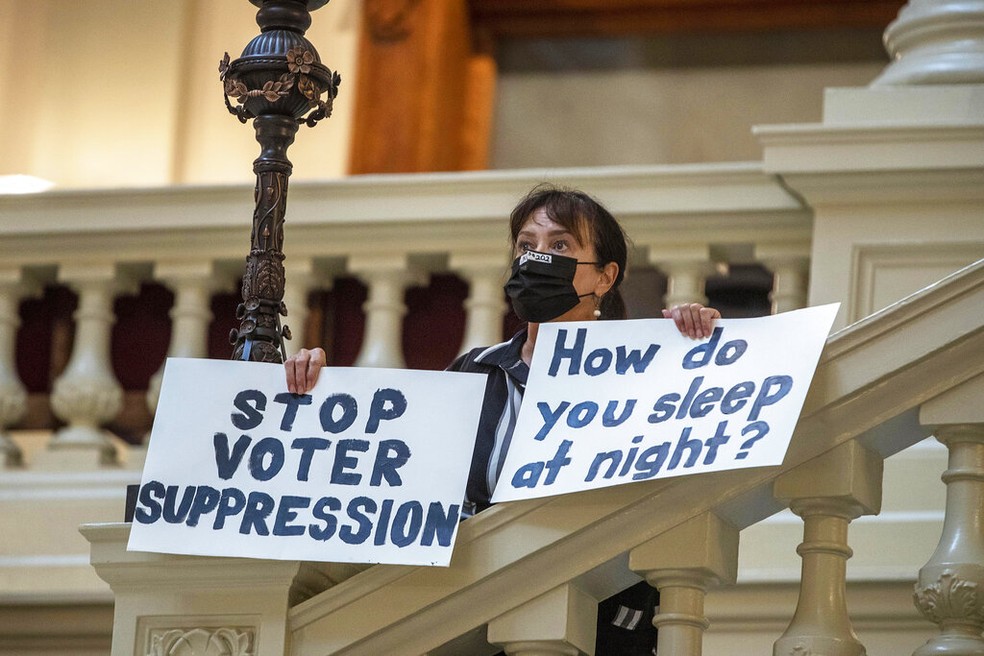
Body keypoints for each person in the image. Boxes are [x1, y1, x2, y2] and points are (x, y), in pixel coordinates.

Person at [285, 184, 720, 655]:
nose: (537, 258)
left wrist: (691, 355)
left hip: (594, 615)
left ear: (604, 277)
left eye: (560, 245)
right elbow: (397, 474)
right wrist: (319, 395)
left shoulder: (641, 373)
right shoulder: (475, 371)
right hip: (467, 598)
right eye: (526, 245)